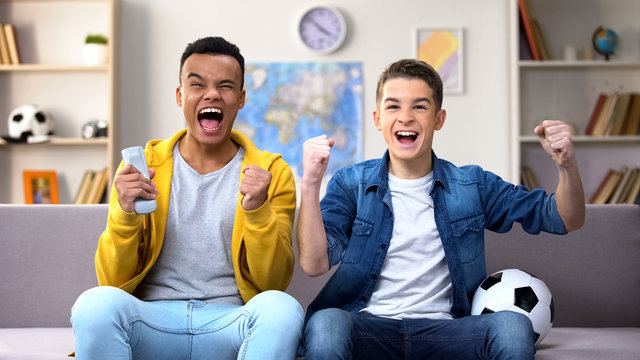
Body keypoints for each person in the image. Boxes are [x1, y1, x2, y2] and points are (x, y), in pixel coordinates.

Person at [297, 58, 585, 359]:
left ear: (439, 118)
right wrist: (310, 184)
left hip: (448, 334)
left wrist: (566, 165)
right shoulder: (351, 184)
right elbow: (314, 264)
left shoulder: (472, 185)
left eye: (419, 106)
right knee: (327, 323)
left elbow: (566, 218)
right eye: (393, 106)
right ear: (377, 118)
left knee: (512, 327)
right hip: (370, 328)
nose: (406, 117)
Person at [71, 36, 303, 360]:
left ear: (241, 99)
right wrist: (124, 214)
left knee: (283, 309)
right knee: (93, 305)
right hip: (152, 321)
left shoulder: (271, 173)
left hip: (229, 323)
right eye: (198, 84)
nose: (212, 94)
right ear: (180, 96)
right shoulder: (142, 166)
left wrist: (258, 210)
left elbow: (272, 283)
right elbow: (111, 281)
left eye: (225, 86)